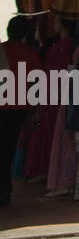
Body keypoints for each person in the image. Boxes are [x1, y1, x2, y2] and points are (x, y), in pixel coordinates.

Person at [0, 17, 43, 207]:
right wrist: (35, 110)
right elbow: (37, 85)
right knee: (8, 148)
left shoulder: (2, 49)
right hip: (19, 108)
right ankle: (4, 189)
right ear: (26, 34)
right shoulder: (31, 54)